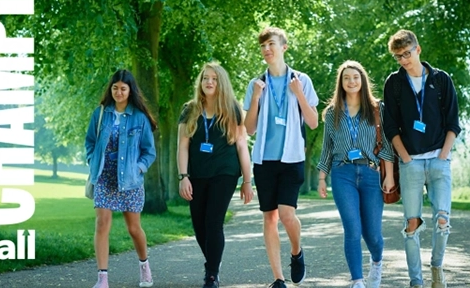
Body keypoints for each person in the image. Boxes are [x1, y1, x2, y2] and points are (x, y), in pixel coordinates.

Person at [382, 30, 461, 288]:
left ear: (418, 49)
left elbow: (453, 123)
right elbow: (390, 127)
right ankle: (416, 282)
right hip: (411, 163)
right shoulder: (393, 83)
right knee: (411, 225)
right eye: (398, 56)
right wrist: (405, 158)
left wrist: (443, 155)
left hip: (439, 160)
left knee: (442, 221)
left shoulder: (441, 80)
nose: (404, 60)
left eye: (407, 53)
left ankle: (436, 268)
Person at [243, 27, 319, 288]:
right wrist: (255, 98)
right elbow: (249, 128)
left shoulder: (302, 80)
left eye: (271, 44)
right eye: (262, 46)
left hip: (292, 158)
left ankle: (296, 251)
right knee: (270, 217)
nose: (266, 50)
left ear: (284, 47)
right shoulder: (256, 84)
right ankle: (278, 278)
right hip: (264, 160)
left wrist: (298, 93)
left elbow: (313, 122)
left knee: (287, 215)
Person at [316, 60, 395, 288]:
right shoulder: (332, 113)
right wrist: (322, 177)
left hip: (371, 173)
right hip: (342, 173)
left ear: (362, 80)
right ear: (341, 83)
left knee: (372, 234)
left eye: (355, 77)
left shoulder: (377, 109)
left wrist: (388, 175)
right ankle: (357, 281)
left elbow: (387, 146)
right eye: (346, 78)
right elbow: (327, 148)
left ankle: (377, 263)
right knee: (352, 228)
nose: (351, 81)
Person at [177, 62, 255, 288]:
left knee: (213, 222)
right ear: (200, 83)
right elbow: (182, 146)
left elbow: (242, 146)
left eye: (214, 78)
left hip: (225, 172)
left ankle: (211, 274)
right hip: (197, 173)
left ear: (221, 82)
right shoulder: (189, 110)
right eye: (205, 78)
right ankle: (213, 262)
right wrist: (183, 176)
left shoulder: (232, 108)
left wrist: (247, 181)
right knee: (199, 225)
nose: (209, 82)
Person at [85, 69, 158, 288]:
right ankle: (102, 278)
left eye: (123, 88)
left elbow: (149, 151)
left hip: (130, 180)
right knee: (102, 224)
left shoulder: (139, 117)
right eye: (115, 87)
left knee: (133, 228)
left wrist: (139, 168)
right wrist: (93, 160)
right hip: (104, 176)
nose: (118, 92)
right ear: (111, 89)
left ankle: (144, 267)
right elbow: (90, 142)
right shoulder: (100, 114)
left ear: (130, 90)